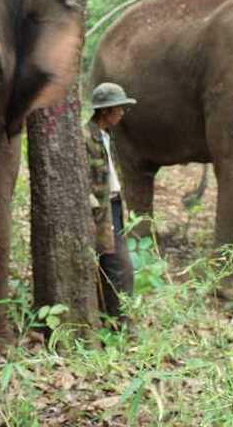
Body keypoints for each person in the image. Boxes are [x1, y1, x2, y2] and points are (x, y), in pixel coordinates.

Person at [84, 82, 136, 319]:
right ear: (106, 111)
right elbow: (80, 178)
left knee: (112, 263)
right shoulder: (85, 137)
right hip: (100, 211)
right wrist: (93, 209)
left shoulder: (107, 136)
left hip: (114, 205)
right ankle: (120, 323)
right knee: (119, 266)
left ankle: (113, 319)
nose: (122, 112)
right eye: (119, 108)